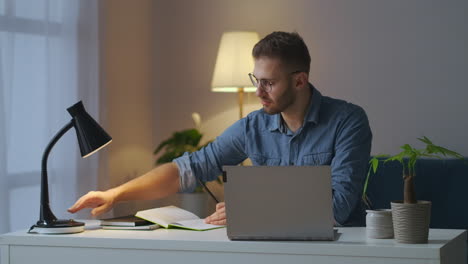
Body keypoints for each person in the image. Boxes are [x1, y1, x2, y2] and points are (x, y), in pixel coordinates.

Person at [68, 31, 372, 226]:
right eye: (256, 80)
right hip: (271, 251)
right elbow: (189, 169)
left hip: (341, 251)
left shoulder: (348, 121)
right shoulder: (253, 126)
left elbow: (339, 208)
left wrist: (252, 211)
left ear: (300, 80)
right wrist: (115, 193)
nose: (258, 91)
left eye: (269, 82)